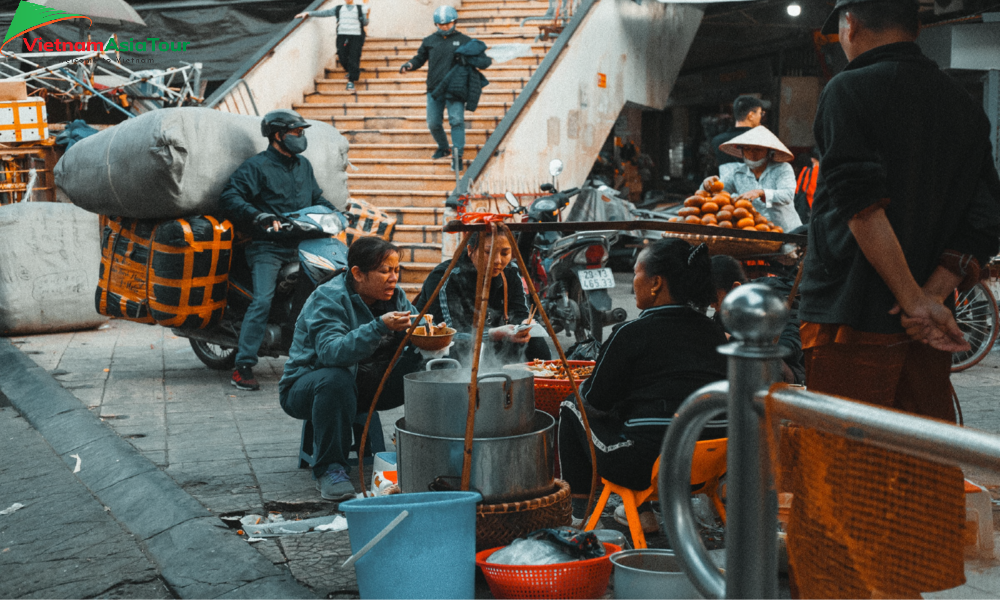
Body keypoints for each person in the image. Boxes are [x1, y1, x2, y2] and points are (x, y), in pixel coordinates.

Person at [789, 0, 1000, 596]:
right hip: (924, 337)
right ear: (919, 25)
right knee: (915, 474)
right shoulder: (963, 104)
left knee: (841, 483)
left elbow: (861, 206)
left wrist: (911, 299)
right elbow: (986, 217)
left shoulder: (849, 91)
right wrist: (933, 298)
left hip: (852, 322)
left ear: (850, 24)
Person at [558, 239, 728, 531]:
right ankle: (639, 509)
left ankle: (579, 513)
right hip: (710, 465)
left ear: (656, 282)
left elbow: (596, 400)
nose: (634, 280)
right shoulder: (714, 332)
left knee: (571, 405)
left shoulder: (631, 333)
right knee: (644, 411)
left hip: (646, 466)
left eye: (637, 272)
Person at [279, 237, 423, 501]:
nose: (393, 278)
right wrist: (379, 326)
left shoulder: (395, 297)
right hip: (307, 389)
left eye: (396, 270)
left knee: (429, 362)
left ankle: (430, 454)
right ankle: (330, 468)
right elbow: (331, 352)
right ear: (357, 273)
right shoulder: (329, 298)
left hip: (367, 384)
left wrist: (444, 338)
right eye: (384, 271)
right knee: (336, 379)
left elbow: (420, 328)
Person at [218, 109, 339, 392]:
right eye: (296, 133)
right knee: (261, 300)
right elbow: (230, 196)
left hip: (302, 244)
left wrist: (337, 211)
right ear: (277, 135)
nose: (301, 137)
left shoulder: (303, 166)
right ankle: (243, 365)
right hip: (267, 247)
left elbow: (316, 197)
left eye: (302, 132)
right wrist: (256, 215)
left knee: (320, 294)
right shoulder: (256, 167)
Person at [414, 230, 551, 364]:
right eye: (488, 252)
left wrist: (525, 324)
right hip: (446, 350)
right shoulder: (444, 277)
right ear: (470, 250)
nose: (497, 261)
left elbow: (520, 313)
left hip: (495, 344)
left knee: (536, 342)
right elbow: (450, 335)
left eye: (505, 253)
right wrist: (493, 334)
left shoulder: (509, 272)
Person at [710, 254, 804, 385]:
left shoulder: (771, 301)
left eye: (714, 298)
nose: (711, 305)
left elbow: (789, 345)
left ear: (735, 287)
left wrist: (730, 339)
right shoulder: (726, 313)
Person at [399, 6, 471, 167]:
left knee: (457, 121)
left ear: (455, 22)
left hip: (455, 89)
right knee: (433, 122)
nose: (445, 27)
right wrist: (409, 65)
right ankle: (444, 148)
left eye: (448, 24)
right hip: (435, 89)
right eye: (441, 24)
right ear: (436, 24)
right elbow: (419, 58)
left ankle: (457, 156)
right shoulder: (429, 41)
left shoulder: (465, 40)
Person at [702, 126, 801, 232]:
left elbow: (787, 195)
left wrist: (760, 192)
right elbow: (718, 192)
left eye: (758, 149)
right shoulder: (737, 173)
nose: (752, 154)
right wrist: (708, 184)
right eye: (747, 149)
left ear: (769, 151)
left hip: (787, 232)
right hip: (758, 233)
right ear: (742, 151)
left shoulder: (782, 168)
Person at [295, 0, 370, 91]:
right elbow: (324, 13)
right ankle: (351, 71)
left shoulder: (360, 8)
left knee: (354, 57)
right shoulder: (338, 8)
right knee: (342, 55)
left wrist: (367, 16)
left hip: (356, 36)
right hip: (342, 35)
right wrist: (309, 13)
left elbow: (365, 23)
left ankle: (351, 81)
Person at [710, 95, 766, 179]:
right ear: (751, 115)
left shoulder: (717, 141)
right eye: (760, 113)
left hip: (725, 190)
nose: (761, 117)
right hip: (754, 191)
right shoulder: (762, 139)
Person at [793, 147, 819, 224]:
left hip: (803, 207)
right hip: (816, 208)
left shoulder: (805, 170)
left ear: (812, 159)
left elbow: (797, 189)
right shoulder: (823, 172)